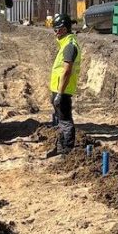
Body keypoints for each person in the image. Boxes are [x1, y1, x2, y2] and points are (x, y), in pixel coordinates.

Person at [46, 13, 81, 158]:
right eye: (54, 29)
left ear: (66, 29)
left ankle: (67, 151)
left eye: (58, 29)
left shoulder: (69, 46)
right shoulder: (65, 44)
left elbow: (67, 71)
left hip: (63, 91)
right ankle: (60, 147)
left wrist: (60, 93)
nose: (56, 32)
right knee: (60, 121)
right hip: (59, 89)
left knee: (65, 121)